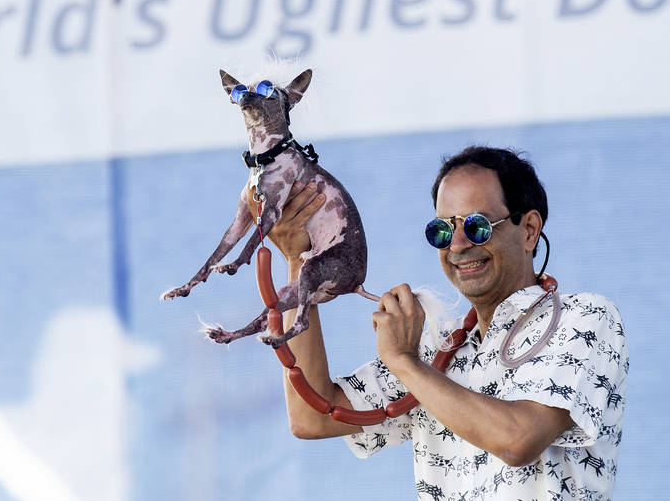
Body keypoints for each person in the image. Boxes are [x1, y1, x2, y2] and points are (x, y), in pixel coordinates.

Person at [262, 146, 627, 500]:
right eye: (441, 230)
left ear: (529, 229)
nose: (457, 245)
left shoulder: (586, 317)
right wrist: (301, 263)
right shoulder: (436, 347)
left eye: (477, 226)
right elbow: (312, 417)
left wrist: (404, 363)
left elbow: (518, 441)